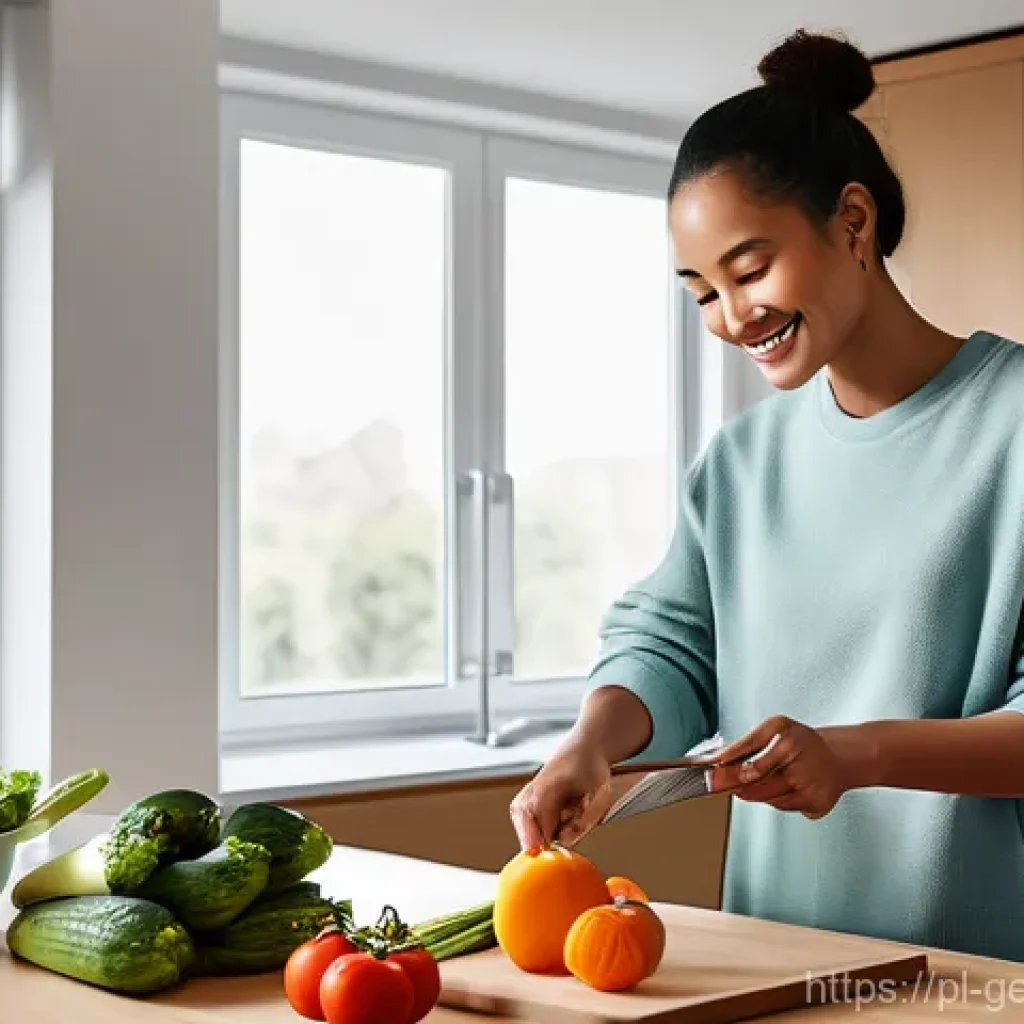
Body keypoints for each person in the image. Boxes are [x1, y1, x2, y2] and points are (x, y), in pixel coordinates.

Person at [509, 29, 1024, 963]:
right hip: (775, 956)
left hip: (980, 968)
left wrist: (857, 754)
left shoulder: (1014, 424)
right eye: (702, 291)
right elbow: (670, 643)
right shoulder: (740, 463)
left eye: (749, 270)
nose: (732, 316)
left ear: (853, 224)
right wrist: (592, 741)